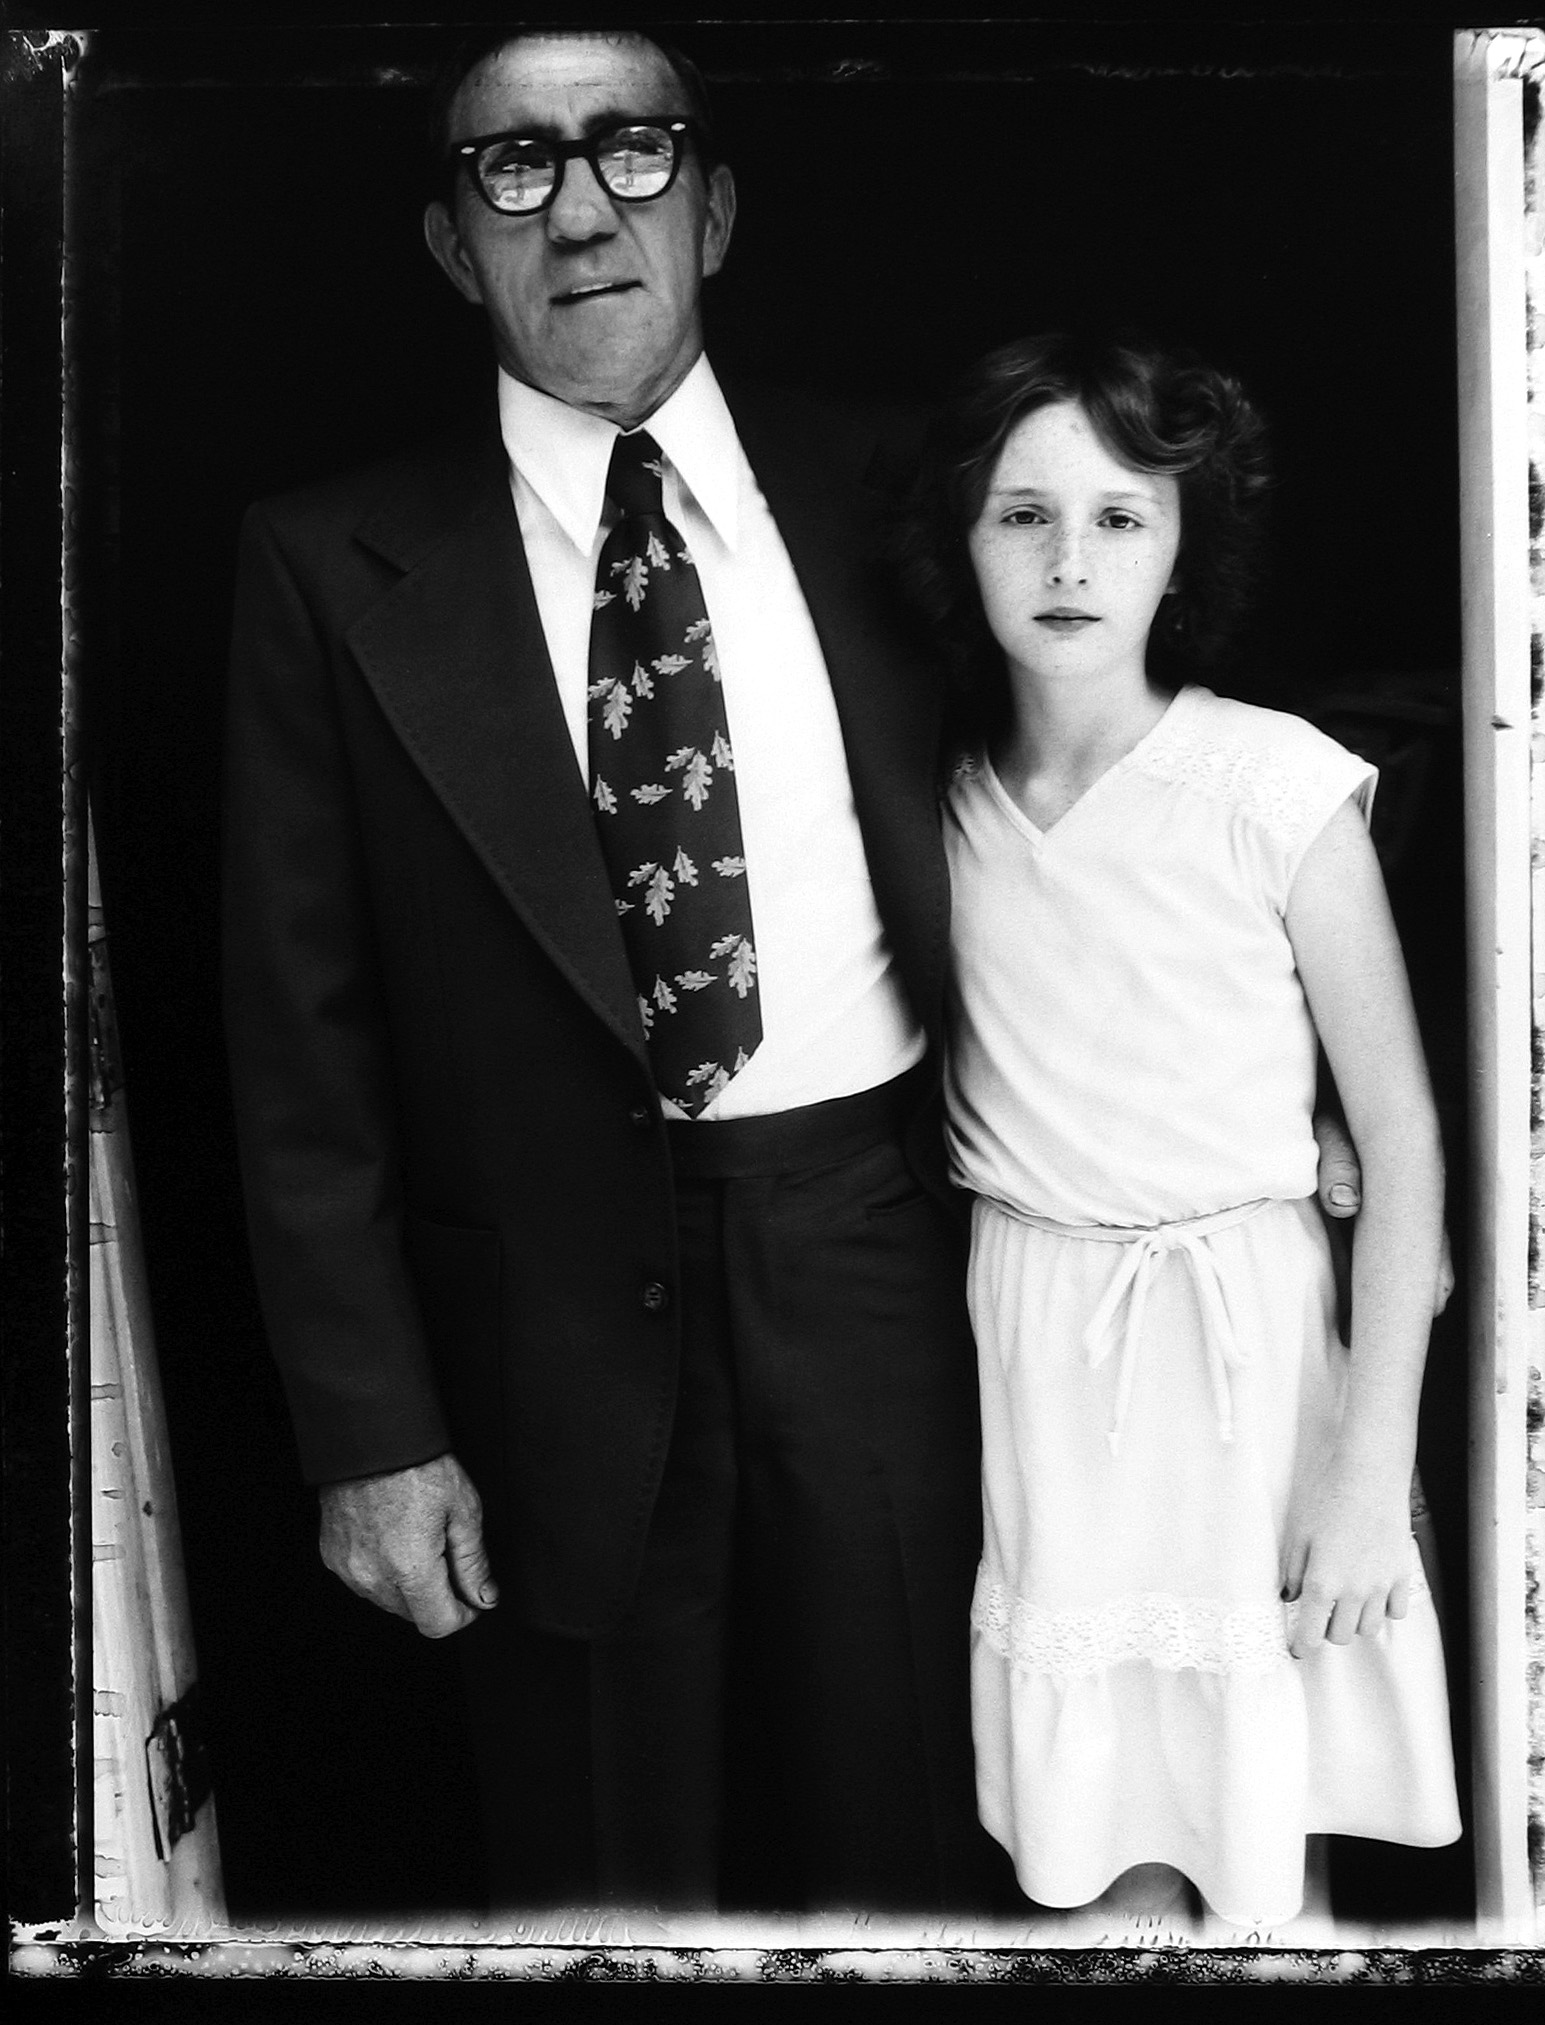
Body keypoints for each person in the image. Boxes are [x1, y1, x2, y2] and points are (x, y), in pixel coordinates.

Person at [222, 22, 1005, 1916]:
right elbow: (294, 1046)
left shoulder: (907, 494)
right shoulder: (328, 564)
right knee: (603, 1879)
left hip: (878, 1260)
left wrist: (1273, 1091)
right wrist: (371, 1435)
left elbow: (1101, 799)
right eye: (515, 167)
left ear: (713, 207)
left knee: (905, 1842)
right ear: (449, 243)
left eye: (631, 152)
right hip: (540, 1336)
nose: (580, 208)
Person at [902, 333, 1462, 1931]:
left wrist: (1365, 1475)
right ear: (961, 536)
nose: (1069, 561)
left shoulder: (1269, 784)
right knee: (1098, 1822)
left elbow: (1401, 1137)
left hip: (1245, 1358)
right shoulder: (933, 796)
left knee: (1261, 1808)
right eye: (1023, 515)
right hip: (1040, 1348)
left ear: (1181, 545)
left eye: (1120, 517)